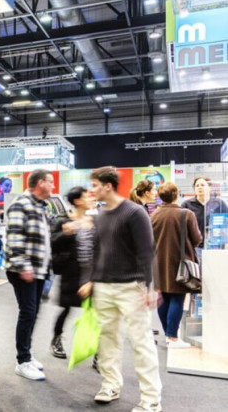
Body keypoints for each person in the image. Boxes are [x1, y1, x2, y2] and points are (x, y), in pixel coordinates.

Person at [86, 166, 162, 412]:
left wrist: (150, 287)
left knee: (141, 342)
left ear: (107, 186)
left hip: (132, 287)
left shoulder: (135, 212)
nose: (92, 190)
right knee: (107, 340)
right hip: (104, 287)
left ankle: (151, 398)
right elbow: (97, 250)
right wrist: (91, 279)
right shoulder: (100, 215)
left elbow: (147, 252)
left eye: (95, 185)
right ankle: (111, 385)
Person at [4, 169, 54, 381]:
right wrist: (24, 266)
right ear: (40, 182)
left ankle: (27, 353)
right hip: (23, 270)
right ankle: (22, 361)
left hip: (39, 270)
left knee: (33, 313)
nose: (53, 186)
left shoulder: (41, 206)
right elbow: (14, 238)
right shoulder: (21, 204)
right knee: (28, 312)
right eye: (50, 182)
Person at [151, 182, 201, 349]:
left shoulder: (154, 215)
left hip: (159, 262)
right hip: (180, 262)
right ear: (176, 195)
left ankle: (168, 334)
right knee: (177, 297)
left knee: (164, 297)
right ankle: (172, 337)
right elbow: (197, 239)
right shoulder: (186, 214)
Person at [49, 186, 95, 359]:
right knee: (66, 308)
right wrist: (66, 233)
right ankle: (56, 339)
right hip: (71, 272)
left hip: (92, 274)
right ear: (77, 201)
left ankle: (98, 351)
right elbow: (52, 242)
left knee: (94, 311)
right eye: (86, 196)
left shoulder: (94, 221)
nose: (90, 199)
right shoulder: (63, 220)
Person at [182, 176, 228, 257]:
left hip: (215, 246)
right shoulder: (187, 205)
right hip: (194, 247)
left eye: (202, 185)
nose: (200, 187)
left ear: (210, 188)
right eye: (197, 185)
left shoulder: (219, 204)